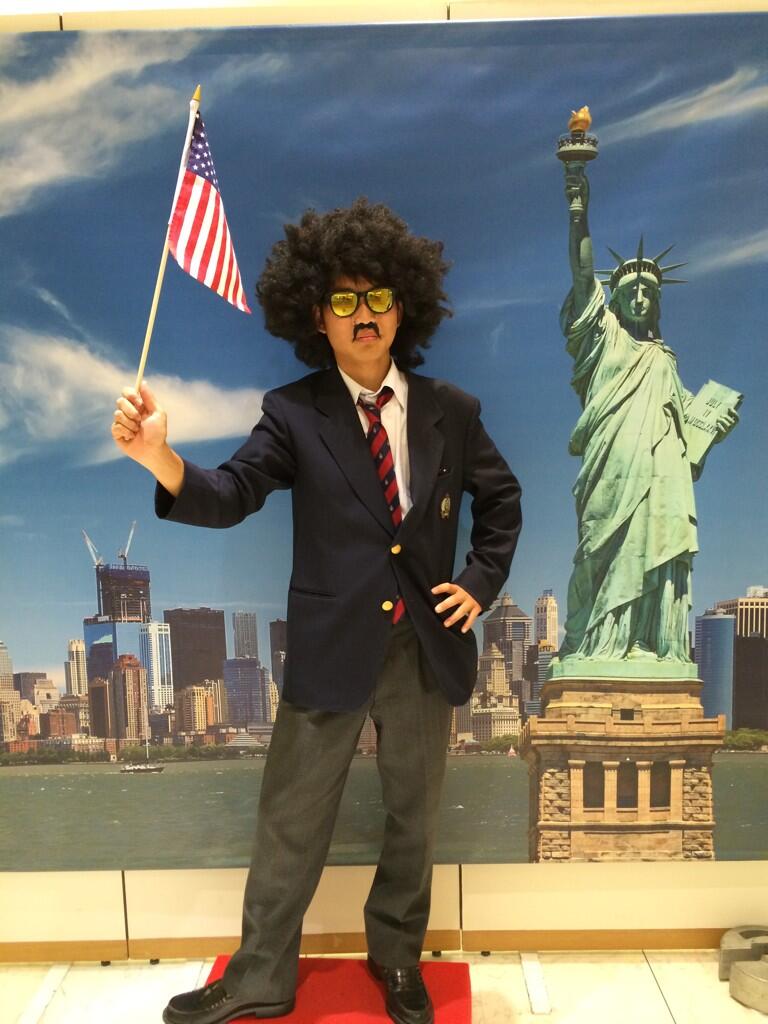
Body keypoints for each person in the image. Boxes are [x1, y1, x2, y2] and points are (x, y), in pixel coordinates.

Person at [112, 198, 522, 1024]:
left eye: (378, 297)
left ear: (403, 306)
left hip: (426, 648)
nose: (363, 314)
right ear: (317, 317)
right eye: (343, 300)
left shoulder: (453, 410)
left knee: (414, 818)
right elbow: (232, 493)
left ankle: (397, 959)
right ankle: (261, 975)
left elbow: (502, 502)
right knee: (289, 821)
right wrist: (160, 457)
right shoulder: (294, 413)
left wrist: (479, 582)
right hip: (331, 648)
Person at [557, 165, 738, 665]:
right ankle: (598, 644)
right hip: (611, 469)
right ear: (613, 299)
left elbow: (686, 428)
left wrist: (714, 429)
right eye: (630, 290)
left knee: (658, 549)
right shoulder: (601, 338)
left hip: (663, 475)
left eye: (649, 292)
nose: (639, 297)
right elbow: (581, 273)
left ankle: (649, 646)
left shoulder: (664, 359)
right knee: (601, 552)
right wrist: (579, 211)